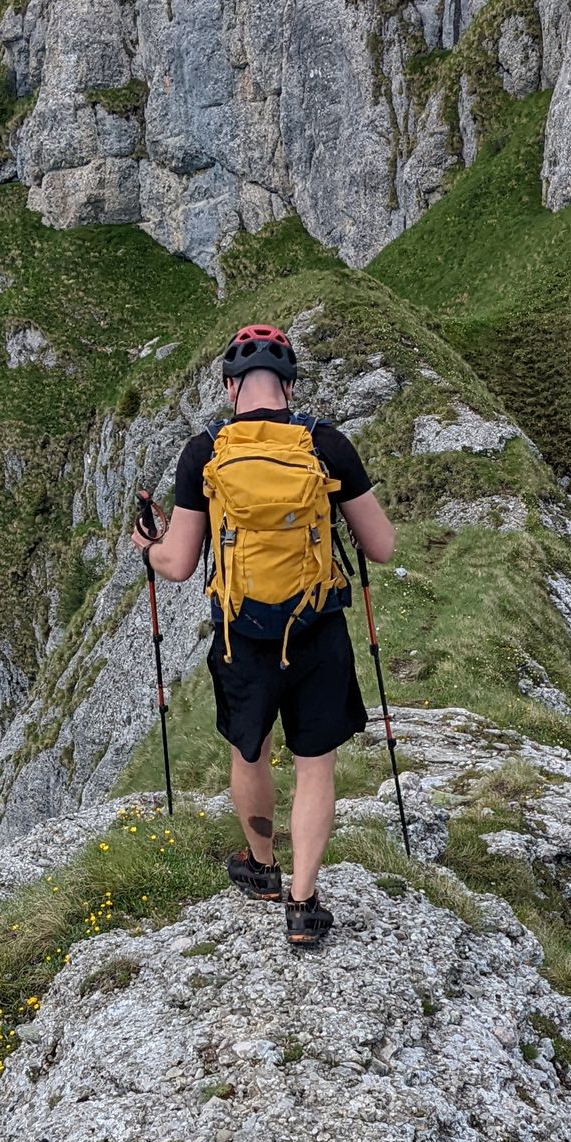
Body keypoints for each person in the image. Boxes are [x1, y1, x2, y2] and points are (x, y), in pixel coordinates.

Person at [132, 323, 395, 952]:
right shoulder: (326, 443)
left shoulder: (204, 453)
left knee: (249, 750)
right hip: (318, 627)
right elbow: (382, 547)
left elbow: (179, 564)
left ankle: (262, 871)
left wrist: (148, 545)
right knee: (315, 766)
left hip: (240, 634)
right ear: (291, 386)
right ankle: (303, 906)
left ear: (229, 388)